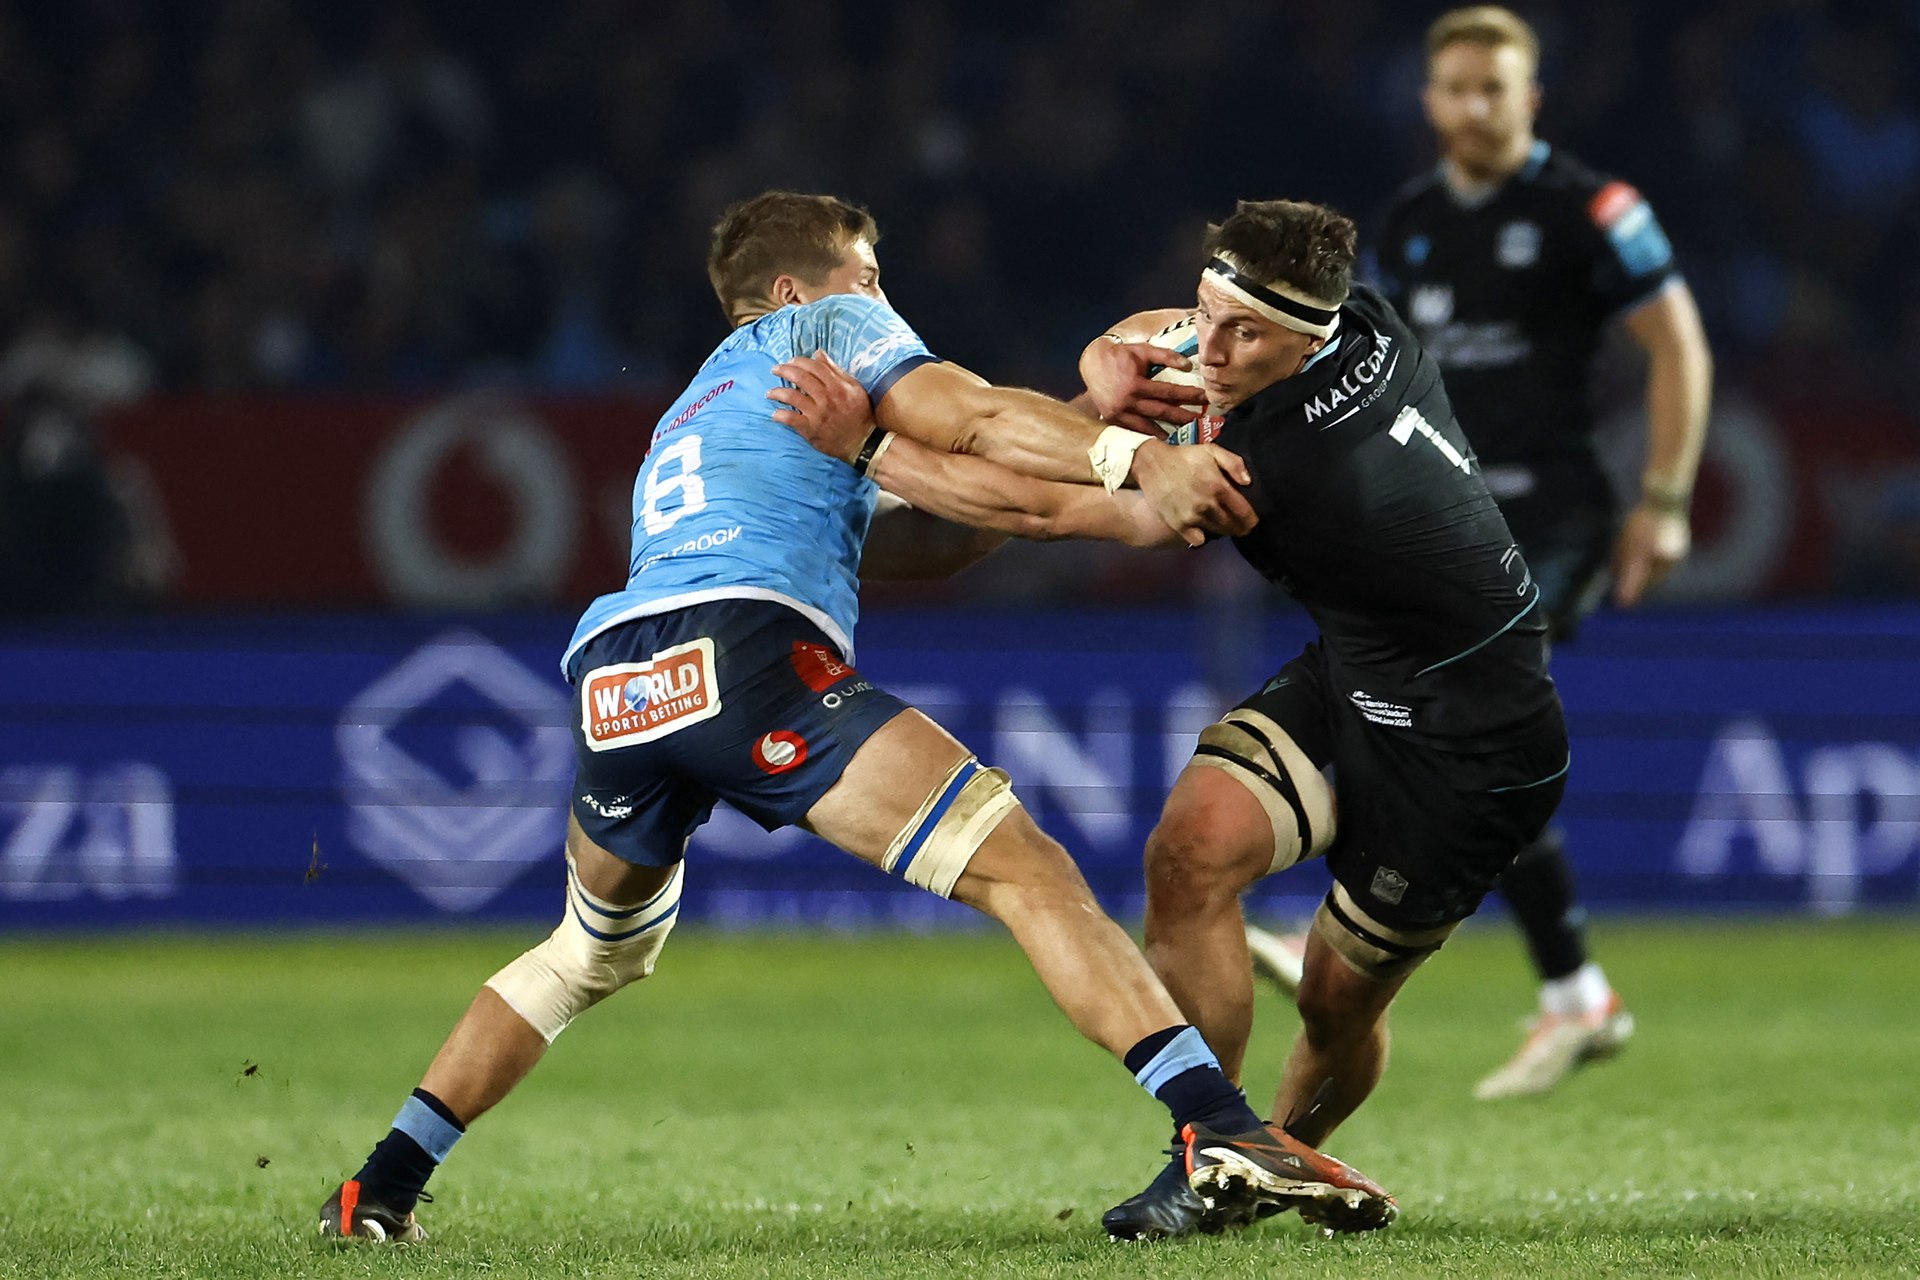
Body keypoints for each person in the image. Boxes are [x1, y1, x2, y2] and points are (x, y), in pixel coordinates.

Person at [316, 190, 1390, 1244]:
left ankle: (381, 1185)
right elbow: (967, 415)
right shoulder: (824, 329)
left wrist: (1095, 431)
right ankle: (1216, 1124)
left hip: (621, 676)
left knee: (586, 953)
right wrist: (1137, 453)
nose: (884, 297)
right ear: (792, 289)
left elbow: (954, 526)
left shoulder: (702, 412)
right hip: (749, 649)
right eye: (870, 274)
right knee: (1027, 870)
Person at [777, 197, 1569, 1241]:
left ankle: (1262, 1156)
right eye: (1211, 314)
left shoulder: (1299, 468)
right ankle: (1215, 1149)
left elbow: (1039, 508)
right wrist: (1113, 357)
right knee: (1190, 852)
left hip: (1474, 737)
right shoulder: (1359, 319)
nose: (1218, 347)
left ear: (1305, 336)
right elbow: (1164, 334)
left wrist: (869, 446)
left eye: (1248, 336)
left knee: (1336, 1000)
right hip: (1362, 671)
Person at [1327, 4, 1710, 1101]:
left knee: (1458, 705)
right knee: (1449, 729)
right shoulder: (1404, 223)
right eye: (1456, 88)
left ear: (1530, 98)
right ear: (1430, 101)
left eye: (1496, 88)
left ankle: (1381, 932)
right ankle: (1570, 988)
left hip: (1557, 520)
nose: (1476, 107)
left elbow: (1676, 340)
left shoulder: (1595, 208)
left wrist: (1668, 499)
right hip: (1438, 526)